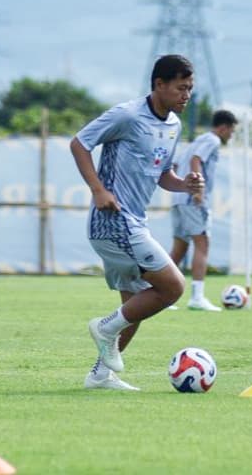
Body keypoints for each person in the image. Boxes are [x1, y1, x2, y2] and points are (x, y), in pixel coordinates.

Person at [70, 54, 204, 391]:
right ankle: (103, 328)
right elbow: (79, 143)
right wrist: (98, 190)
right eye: (180, 88)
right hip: (112, 221)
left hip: (132, 223)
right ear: (159, 85)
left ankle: (100, 375)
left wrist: (184, 184)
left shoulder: (173, 125)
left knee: (137, 304)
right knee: (173, 287)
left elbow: (162, 175)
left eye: (190, 89)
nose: (186, 95)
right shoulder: (127, 115)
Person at [169, 110, 238, 311]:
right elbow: (196, 160)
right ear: (223, 127)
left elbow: (177, 163)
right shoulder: (213, 141)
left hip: (178, 198)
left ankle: (160, 294)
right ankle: (197, 297)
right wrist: (198, 190)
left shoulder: (197, 140)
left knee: (179, 248)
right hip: (192, 199)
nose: (230, 136)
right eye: (231, 132)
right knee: (202, 244)